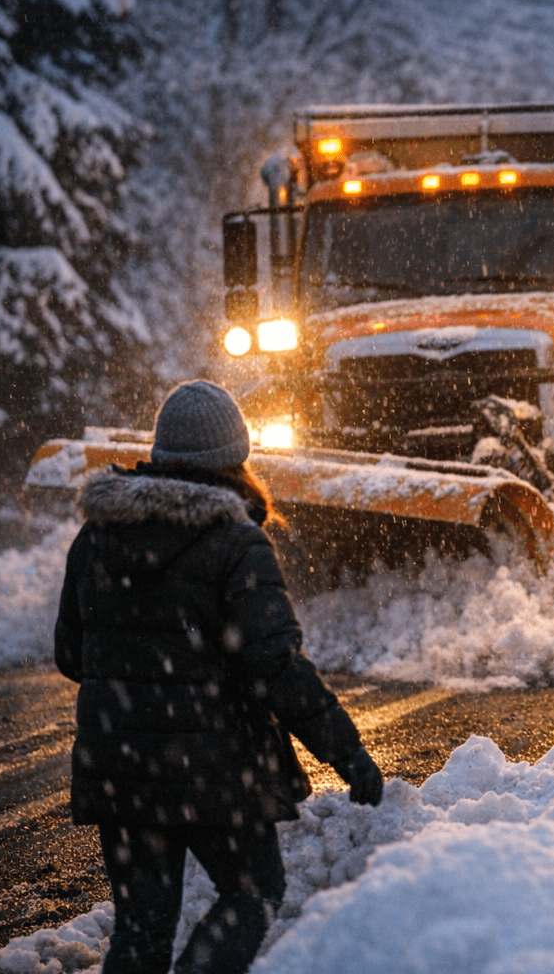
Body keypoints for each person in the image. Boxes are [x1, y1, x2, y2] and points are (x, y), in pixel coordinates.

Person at [55, 380, 385, 974]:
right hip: (215, 771)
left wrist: (134, 685)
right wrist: (346, 752)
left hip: (122, 770)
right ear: (234, 460)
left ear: (161, 454)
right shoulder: (236, 542)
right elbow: (275, 666)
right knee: (253, 892)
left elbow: (70, 655)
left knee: (141, 930)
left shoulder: (98, 534)